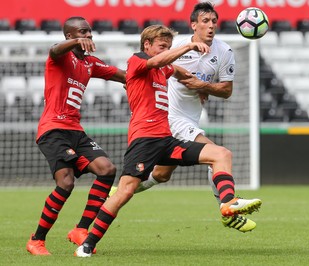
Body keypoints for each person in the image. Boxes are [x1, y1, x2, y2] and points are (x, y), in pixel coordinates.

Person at [74, 24, 261, 257]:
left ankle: (228, 203)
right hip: (144, 141)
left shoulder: (164, 69)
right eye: (162, 47)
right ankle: (87, 243)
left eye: (168, 47)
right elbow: (158, 63)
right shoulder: (137, 61)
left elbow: (177, 71)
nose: (165, 51)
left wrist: (199, 87)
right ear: (147, 45)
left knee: (221, 154)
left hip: (167, 141)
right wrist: (190, 46)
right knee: (125, 192)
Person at [124, 2, 257, 232]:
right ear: (193, 25)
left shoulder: (224, 52)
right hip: (171, 116)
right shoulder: (176, 46)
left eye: (214, 21)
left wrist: (203, 86)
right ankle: (228, 207)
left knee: (162, 175)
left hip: (192, 116)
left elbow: (226, 91)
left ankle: (119, 191)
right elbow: (154, 67)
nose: (211, 26)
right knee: (217, 155)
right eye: (205, 21)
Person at [26, 16, 126, 256]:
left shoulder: (90, 63)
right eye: (82, 32)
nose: (88, 36)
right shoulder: (59, 58)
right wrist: (74, 43)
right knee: (66, 182)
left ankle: (80, 230)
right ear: (70, 36)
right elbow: (54, 49)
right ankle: (36, 240)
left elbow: (123, 75)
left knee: (107, 169)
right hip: (53, 130)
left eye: (89, 32)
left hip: (76, 131)